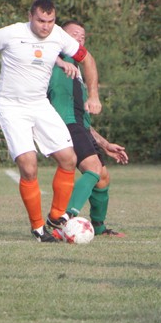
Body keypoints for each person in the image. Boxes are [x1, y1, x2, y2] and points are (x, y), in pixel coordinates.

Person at [0, 0, 99, 243]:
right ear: (30, 16)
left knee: (69, 159)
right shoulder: (11, 33)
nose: (46, 26)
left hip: (39, 104)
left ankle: (56, 217)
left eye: (51, 21)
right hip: (11, 106)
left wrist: (93, 95)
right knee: (28, 166)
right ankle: (38, 228)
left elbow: (87, 59)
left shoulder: (59, 36)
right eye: (41, 20)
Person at [48, 20, 128, 238]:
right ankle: (61, 221)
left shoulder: (76, 71)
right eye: (74, 34)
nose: (79, 39)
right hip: (66, 124)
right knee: (93, 168)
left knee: (102, 177)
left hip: (80, 126)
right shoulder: (56, 59)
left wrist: (104, 143)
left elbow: (82, 118)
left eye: (83, 37)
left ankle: (99, 227)